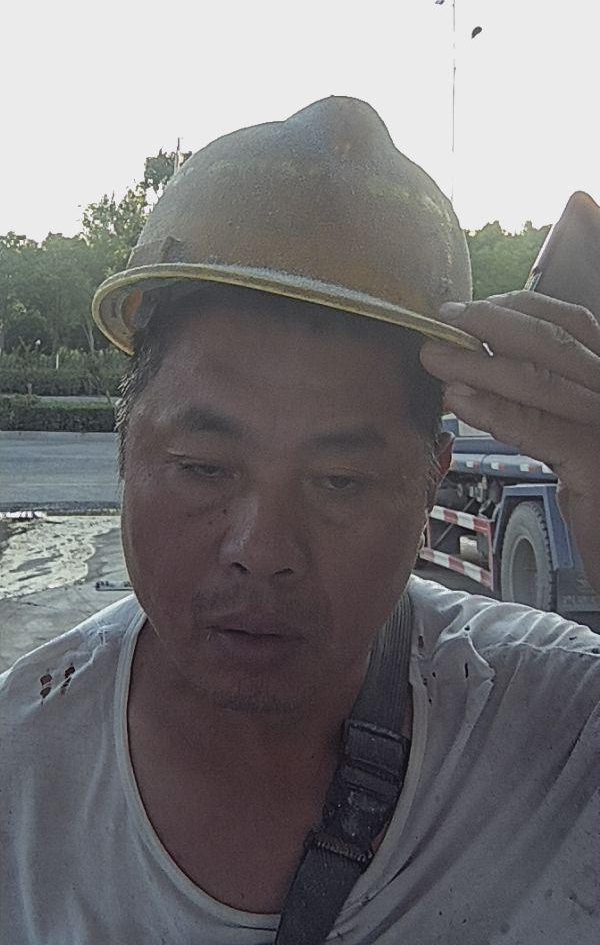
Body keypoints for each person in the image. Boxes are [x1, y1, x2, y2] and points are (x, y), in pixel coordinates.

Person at [2, 97, 599, 944]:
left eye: (340, 481)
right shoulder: (21, 778)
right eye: (204, 467)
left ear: (431, 485)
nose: (261, 550)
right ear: (126, 448)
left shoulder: (559, 730)